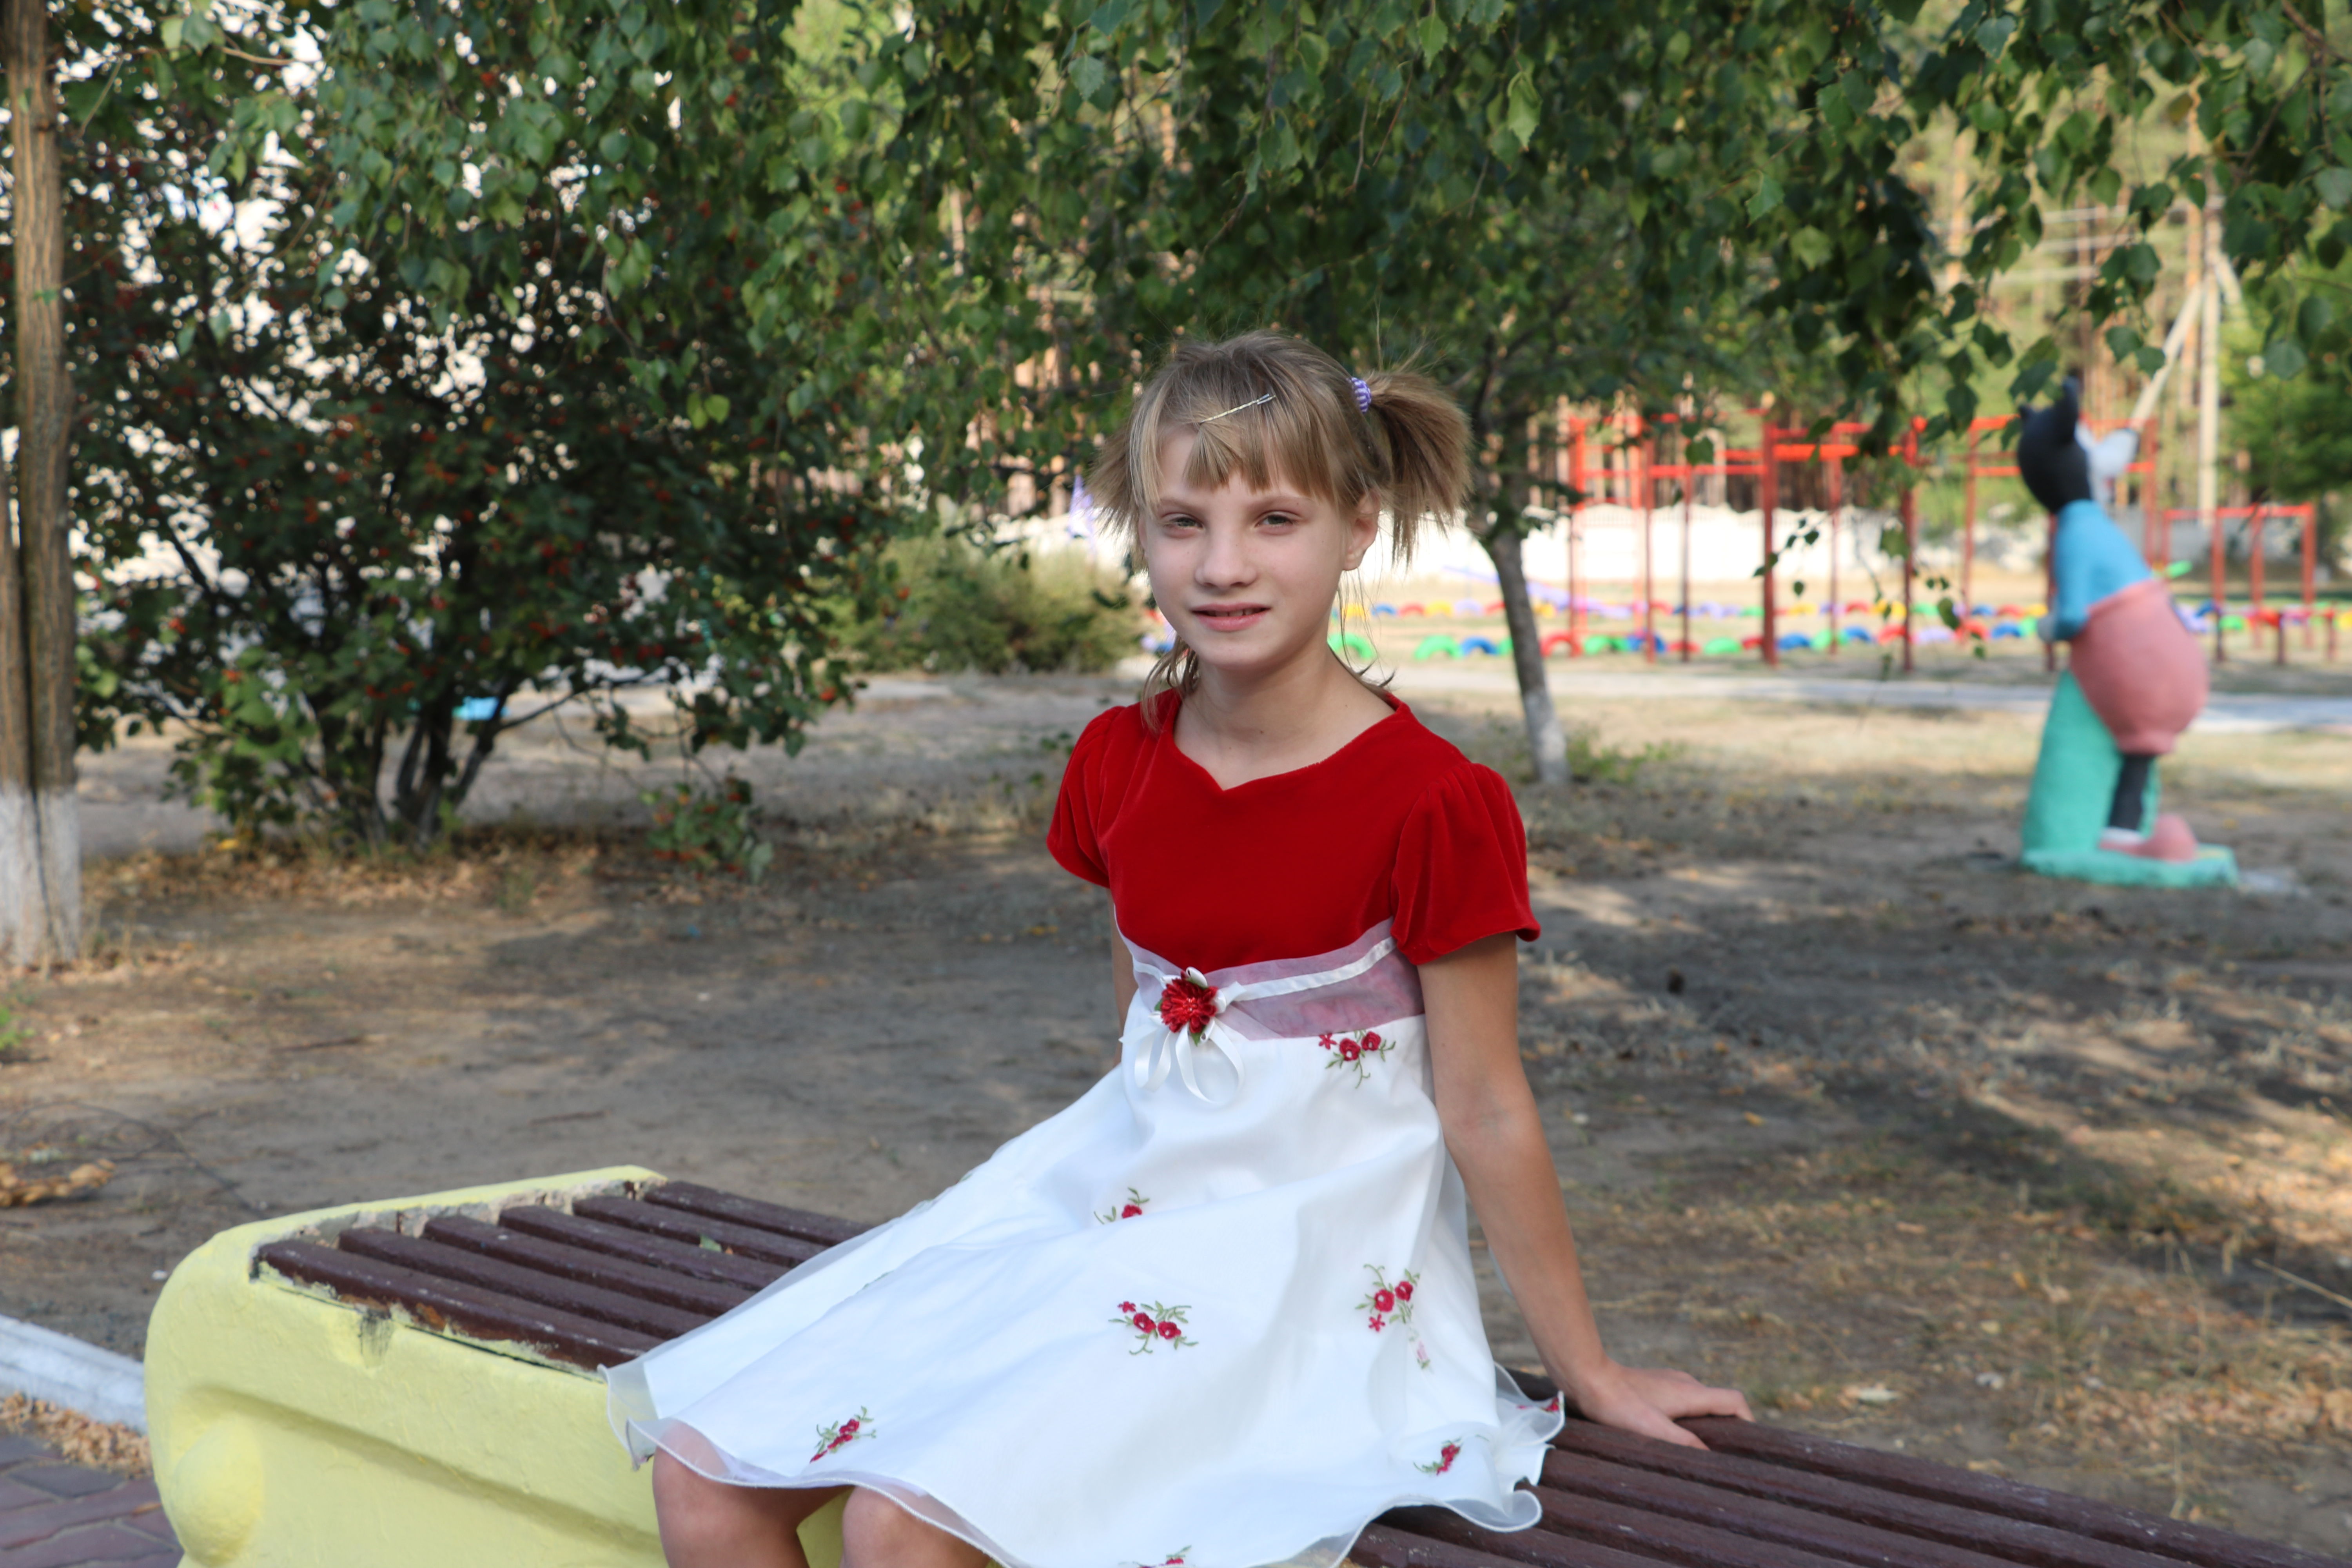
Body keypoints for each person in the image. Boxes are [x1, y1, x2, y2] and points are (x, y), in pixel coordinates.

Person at [611, 330, 1751, 1568]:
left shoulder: (1430, 802)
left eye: (1274, 519)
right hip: (1125, 1209)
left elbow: (1483, 1105)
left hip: (1308, 1272)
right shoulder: (1119, 761)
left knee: (905, 1524)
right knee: (703, 1473)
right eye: (1181, 522)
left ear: (1358, 526)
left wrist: (1588, 1370)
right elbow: (1141, 1044)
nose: (1221, 565)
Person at [2016, 380, 2209, 860]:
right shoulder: (2096, 526)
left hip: (2138, 671)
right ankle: (2124, 832)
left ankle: (2106, 836)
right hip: (2169, 666)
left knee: (2108, 747)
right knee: (2135, 758)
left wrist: (2046, 627)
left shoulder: (2076, 531)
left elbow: (2073, 617)